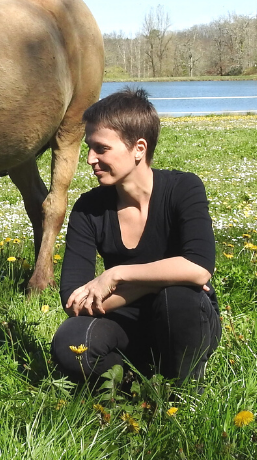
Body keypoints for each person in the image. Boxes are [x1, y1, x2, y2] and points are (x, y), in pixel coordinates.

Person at [50, 87, 221, 386]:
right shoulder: (88, 209)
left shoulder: (184, 189)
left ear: (139, 149)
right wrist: (150, 283)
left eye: (101, 149)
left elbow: (198, 268)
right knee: (71, 339)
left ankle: (181, 389)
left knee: (178, 298)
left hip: (183, 318)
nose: (90, 158)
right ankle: (131, 380)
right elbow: (74, 301)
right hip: (122, 326)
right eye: (89, 147)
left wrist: (116, 275)